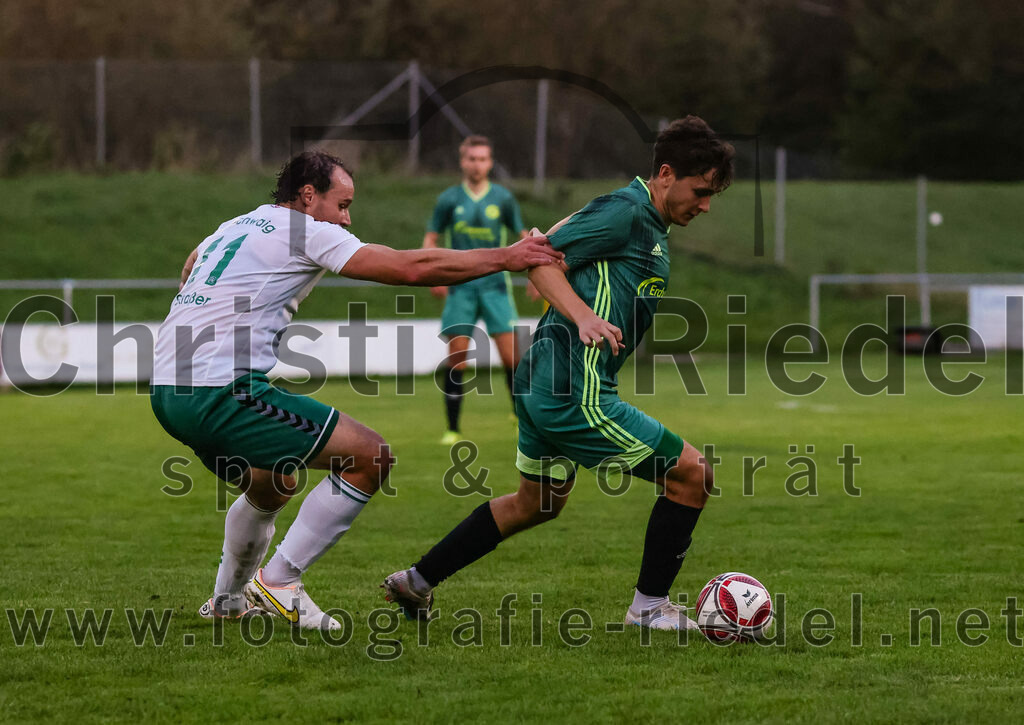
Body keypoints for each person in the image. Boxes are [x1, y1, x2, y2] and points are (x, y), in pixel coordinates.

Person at [150, 150, 564, 630]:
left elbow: (192, 265)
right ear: (309, 197)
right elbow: (410, 267)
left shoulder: (236, 224)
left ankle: (228, 601)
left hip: (168, 390)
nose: (347, 219)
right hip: (219, 392)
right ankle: (280, 580)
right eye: (342, 204)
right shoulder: (306, 230)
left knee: (272, 482)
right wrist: (507, 257)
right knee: (371, 457)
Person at [383, 116, 734, 631]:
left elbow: (549, 249)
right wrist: (583, 314)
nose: (705, 205)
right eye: (700, 191)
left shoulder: (645, 220)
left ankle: (416, 581)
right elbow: (538, 256)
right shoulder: (627, 212)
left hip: (543, 381)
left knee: (538, 502)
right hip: (574, 390)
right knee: (692, 475)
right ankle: (650, 608)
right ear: (665, 173)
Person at [423, 136, 529, 445]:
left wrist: (536, 274)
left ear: (490, 162)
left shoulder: (504, 198)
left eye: (483, 159)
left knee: (512, 358)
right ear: (463, 161)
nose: (477, 164)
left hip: (496, 287)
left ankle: (521, 417)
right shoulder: (449, 199)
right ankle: (452, 429)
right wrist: (433, 273)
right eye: (472, 159)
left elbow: (524, 238)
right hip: (461, 288)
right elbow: (431, 238)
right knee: (457, 359)